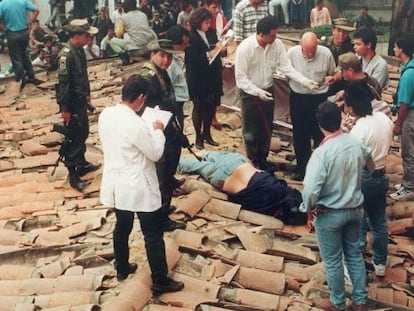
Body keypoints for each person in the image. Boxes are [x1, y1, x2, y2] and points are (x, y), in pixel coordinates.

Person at [98, 74, 185, 295]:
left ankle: (122, 266)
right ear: (140, 98)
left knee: (122, 226)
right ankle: (160, 279)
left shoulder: (107, 114)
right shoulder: (136, 124)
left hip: (117, 181)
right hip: (137, 183)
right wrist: (156, 129)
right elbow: (155, 153)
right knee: (153, 233)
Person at [300, 101, 371, 311]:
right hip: (355, 209)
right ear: (340, 119)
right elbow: (372, 164)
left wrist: (309, 209)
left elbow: (310, 189)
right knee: (353, 255)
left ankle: (338, 303)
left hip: (330, 213)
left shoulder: (322, 153)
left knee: (332, 261)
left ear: (319, 123)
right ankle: (359, 300)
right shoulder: (355, 143)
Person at [235, 16, 318, 172]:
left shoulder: (277, 44)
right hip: (250, 93)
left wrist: (305, 81)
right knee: (251, 130)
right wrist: (257, 92)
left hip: (268, 89)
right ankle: (254, 162)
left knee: (266, 127)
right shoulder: (245, 49)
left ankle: (263, 160)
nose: (275, 38)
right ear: (261, 34)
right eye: (272, 35)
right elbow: (241, 79)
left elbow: (286, 68)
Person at [178, 151, 307, 225]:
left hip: (237, 162)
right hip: (223, 178)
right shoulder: (266, 209)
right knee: (193, 165)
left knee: (209, 155)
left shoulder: (278, 187)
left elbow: (293, 193)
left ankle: (203, 153)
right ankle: (175, 159)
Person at [139, 39, 188, 231]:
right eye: (162, 55)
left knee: (168, 171)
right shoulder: (148, 77)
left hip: (167, 126)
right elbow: (145, 108)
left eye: (169, 57)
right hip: (157, 129)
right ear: (152, 54)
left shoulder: (161, 73)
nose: (166, 60)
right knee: (163, 173)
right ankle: (160, 217)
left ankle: (163, 209)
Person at [345, 81, 392, 277]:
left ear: (351, 108)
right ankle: (380, 261)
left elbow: (354, 158)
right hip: (381, 174)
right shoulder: (383, 118)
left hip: (364, 176)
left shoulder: (359, 129)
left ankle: (358, 252)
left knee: (357, 217)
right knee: (379, 221)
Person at [56, 20, 101, 192]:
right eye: (86, 35)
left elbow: (83, 75)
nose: (89, 37)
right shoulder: (65, 56)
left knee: (83, 132)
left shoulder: (79, 51)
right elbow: (63, 85)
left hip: (81, 100)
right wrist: (65, 109)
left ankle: (81, 164)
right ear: (76, 36)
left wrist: (88, 94)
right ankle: (73, 175)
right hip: (71, 103)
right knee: (73, 138)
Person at [287, 32, 336, 181]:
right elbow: (285, 74)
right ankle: (302, 169)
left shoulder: (326, 54)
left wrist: (331, 79)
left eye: (313, 50)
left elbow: (332, 73)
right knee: (300, 135)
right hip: (298, 97)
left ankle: (320, 171)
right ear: (300, 45)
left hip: (319, 98)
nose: (309, 54)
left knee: (320, 134)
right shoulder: (291, 54)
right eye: (306, 50)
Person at [185, 8, 226, 149]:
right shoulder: (190, 36)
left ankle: (207, 133)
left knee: (211, 105)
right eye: (206, 23)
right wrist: (212, 52)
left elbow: (218, 50)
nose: (208, 25)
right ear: (198, 22)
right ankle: (198, 137)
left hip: (212, 75)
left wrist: (222, 49)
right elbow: (193, 58)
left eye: (209, 22)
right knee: (199, 107)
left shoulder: (212, 32)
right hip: (197, 77)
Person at [390, 35, 414, 201]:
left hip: (409, 117)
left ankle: (409, 186)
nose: (393, 50)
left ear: (402, 50)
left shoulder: (408, 75)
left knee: (408, 152)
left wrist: (398, 124)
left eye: (396, 47)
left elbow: (404, 103)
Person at [0, 0, 43, 89]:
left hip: (11, 34)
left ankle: (21, 80)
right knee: (25, 55)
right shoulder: (22, 1)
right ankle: (31, 77)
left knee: (16, 58)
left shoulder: (3, 4)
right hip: (24, 32)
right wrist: (30, 22)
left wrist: (3, 28)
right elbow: (37, 10)